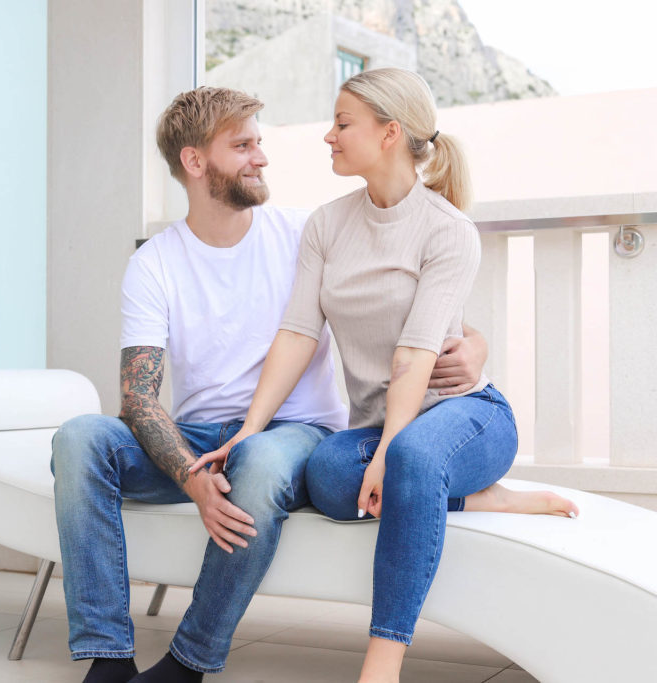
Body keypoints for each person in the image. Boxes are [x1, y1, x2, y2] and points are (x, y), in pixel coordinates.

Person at [51, 86, 486, 683]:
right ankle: (107, 658)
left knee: (256, 460)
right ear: (194, 161)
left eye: (259, 142)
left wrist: (476, 345)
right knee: (79, 438)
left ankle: (187, 663)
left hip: (295, 435)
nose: (261, 157)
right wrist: (193, 480)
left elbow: (412, 310)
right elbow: (138, 399)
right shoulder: (154, 264)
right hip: (200, 440)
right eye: (243, 146)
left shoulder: (304, 233)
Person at [191, 69, 579, 683]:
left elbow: (415, 356)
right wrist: (250, 428)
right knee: (326, 472)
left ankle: (383, 663)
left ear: (390, 133)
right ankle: (477, 498)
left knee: (414, 458)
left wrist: (389, 451)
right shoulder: (327, 225)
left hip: (466, 417)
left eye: (342, 123)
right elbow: (298, 332)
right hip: (384, 426)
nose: (329, 136)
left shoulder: (448, 230)